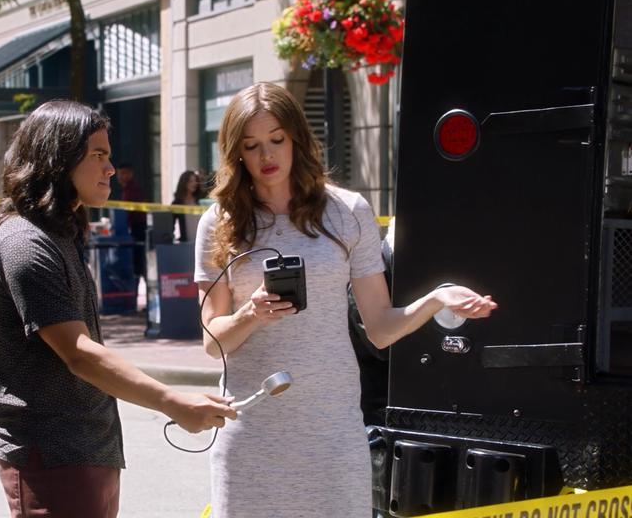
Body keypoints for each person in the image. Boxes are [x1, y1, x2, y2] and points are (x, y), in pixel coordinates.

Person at [193, 82, 497, 517]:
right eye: (252, 145)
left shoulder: (347, 210)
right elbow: (211, 341)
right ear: (235, 151)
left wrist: (435, 300)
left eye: (277, 140)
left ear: (297, 136)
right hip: (252, 434)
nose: (267, 157)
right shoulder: (219, 222)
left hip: (332, 434)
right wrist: (251, 314)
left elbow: (380, 327)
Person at [0, 100, 237, 517]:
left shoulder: (57, 235)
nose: (111, 169)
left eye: (109, 156)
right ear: (57, 158)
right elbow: (79, 353)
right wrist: (172, 400)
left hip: (87, 451)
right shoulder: (25, 243)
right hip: (51, 456)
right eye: (98, 155)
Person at [116, 163, 148, 282]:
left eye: (124, 174)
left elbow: (129, 214)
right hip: (132, 230)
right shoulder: (125, 190)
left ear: (131, 174)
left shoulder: (133, 190)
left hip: (137, 229)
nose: (121, 177)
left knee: (138, 263)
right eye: (119, 174)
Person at [171, 169, 205, 242]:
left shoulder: (201, 199)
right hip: (186, 244)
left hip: (202, 241)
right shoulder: (177, 203)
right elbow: (170, 226)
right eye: (191, 181)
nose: (194, 184)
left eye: (195, 181)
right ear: (184, 183)